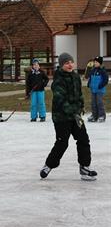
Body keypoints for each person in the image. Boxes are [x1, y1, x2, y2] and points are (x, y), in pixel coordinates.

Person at [40, 53, 97, 181]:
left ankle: (84, 167)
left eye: (71, 62)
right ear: (61, 65)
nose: (70, 65)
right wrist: (74, 111)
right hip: (62, 117)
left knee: (83, 139)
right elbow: (61, 101)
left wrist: (81, 106)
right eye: (67, 63)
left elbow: (79, 94)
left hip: (75, 116)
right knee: (62, 143)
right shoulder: (58, 81)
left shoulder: (76, 77)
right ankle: (49, 165)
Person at [87, 56, 108, 123]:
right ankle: (94, 115)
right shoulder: (93, 70)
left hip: (99, 90)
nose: (95, 63)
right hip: (93, 89)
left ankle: (101, 116)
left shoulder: (102, 71)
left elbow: (105, 80)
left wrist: (100, 85)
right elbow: (90, 78)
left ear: (100, 63)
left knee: (99, 103)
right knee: (93, 103)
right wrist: (89, 84)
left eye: (96, 62)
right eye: (94, 62)